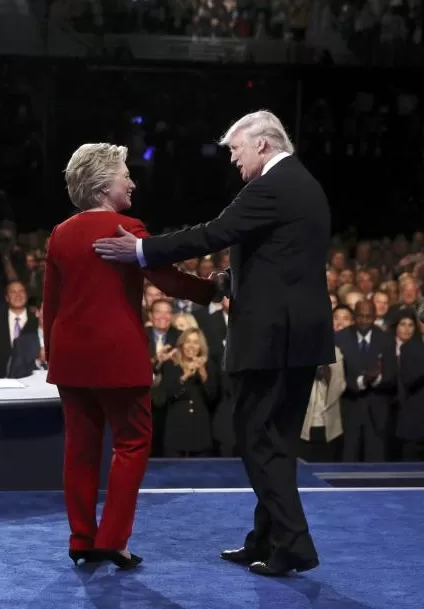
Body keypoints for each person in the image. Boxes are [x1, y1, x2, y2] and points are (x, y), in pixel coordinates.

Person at [94, 110, 334, 576]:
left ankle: (295, 544)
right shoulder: (303, 184)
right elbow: (281, 261)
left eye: (236, 150)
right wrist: (232, 280)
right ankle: (266, 539)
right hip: (298, 336)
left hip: (272, 340)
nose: (234, 160)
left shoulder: (271, 185)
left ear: (262, 144)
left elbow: (212, 233)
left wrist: (141, 250)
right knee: (276, 444)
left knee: (258, 441)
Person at [45, 142, 218, 570]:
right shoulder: (128, 228)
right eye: (126, 174)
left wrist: (55, 354)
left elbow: (51, 304)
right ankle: (113, 540)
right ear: (105, 185)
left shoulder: (60, 233)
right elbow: (168, 280)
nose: (133, 182)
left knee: (80, 451)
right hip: (118, 357)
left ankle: (82, 539)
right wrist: (214, 289)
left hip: (70, 360)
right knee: (132, 442)